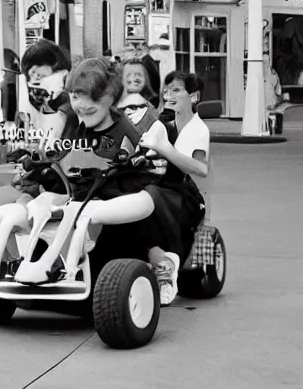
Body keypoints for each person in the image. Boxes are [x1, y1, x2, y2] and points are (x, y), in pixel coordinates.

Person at [0, 58, 158, 275]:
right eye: (76, 97)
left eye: (92, 98)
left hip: (108, 216)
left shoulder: (124, 133)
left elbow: (132, 170)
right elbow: (63, 157)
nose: (83, 105)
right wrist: (39, 166)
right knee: (34, 203)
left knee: (70, 212)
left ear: (112, 96)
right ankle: (26, 260)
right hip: (74, 199)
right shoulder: (79, 127)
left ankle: (62, 265)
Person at [54, 71, 211, 305]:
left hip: (177, 191)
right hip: (151, 181)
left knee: (145, 198)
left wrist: (164, 150)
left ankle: (163, 263)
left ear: (194, 96)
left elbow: (200, 169)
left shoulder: (197, 130)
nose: (169, 95)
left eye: (177, 90)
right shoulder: (160, 124)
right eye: (167, 90)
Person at [0, 39, 76, 234]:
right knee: (0, 205)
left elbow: (51, 144)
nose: (35, 82)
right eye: (31, 76)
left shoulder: (68, 105)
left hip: (63, 184)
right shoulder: (44, 107)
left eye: (41, 75)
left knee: (16, 208)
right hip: (43, 179)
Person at [117, 58, 159, 133]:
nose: (134, 78)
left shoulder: (152, 113)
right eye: (128, 74)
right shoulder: (112, 111)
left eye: (138, 74)